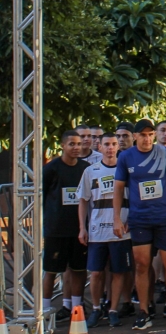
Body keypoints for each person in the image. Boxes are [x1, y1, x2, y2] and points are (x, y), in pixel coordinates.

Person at [113, 119, 166, 330]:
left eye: (149, 134)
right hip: (139, 220)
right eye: (142, 135)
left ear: (153, 135)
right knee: (142, 265)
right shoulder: (126, 157)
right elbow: (118, 189)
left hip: (165, 218)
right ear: (135, 136)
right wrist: (117, 218)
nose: (146, 138)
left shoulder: (164, 154)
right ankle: (144, 311)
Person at [78, 133, 134, 328]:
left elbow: (135, 197)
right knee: (95, 272)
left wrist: (131, 220)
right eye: (106, 144)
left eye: (113, 144)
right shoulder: (90, 171)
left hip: (121, 230)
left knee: (119, 272)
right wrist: (81, 227)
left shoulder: (126, 169)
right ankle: (95, 308)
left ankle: (113, 309)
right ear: (99, 147)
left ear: (118, 146)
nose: (110, 148)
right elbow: (83, 200)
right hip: (97, 230)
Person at [43, 130, 90, 322]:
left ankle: (76, 309)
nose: (76, 147)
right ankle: (45, 310)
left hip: (79, 230)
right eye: (72, 144)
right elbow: (42, 195)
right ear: (62, 145)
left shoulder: (86, 168)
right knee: (52, 270)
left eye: (79, 144)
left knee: (79, 270)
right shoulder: (51, 168)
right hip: (56, 230)